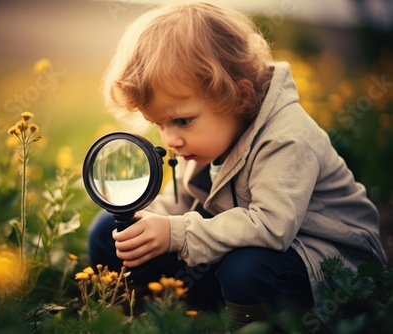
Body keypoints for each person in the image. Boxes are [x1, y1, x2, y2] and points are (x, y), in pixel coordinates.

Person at [88, 1, 387, 328]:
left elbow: (272, 227)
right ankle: (136, 313)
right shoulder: (208, 138)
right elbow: (184, 204)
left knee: (246, 269)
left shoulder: (286, 138)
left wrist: (175, 233)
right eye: (159, 125)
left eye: (182, 121)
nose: (170, 140)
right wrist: (149, 225)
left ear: (237, 96)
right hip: (246, 247)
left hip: (329, 263)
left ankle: (251, 324)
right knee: (111, 231)